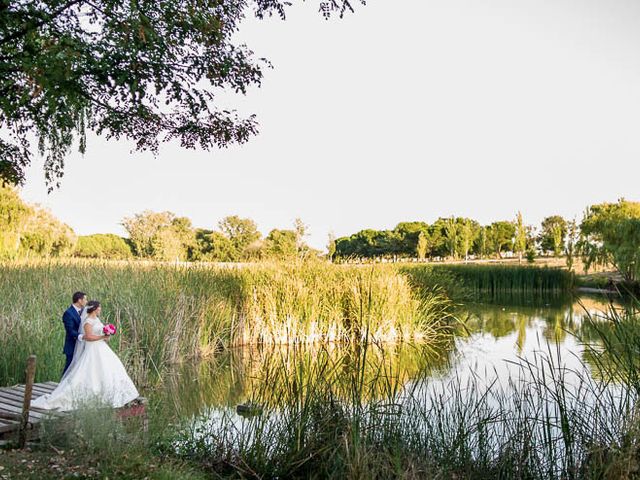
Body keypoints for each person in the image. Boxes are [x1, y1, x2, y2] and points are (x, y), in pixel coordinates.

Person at [32, 301, 139, 411]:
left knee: (109, 368)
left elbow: (98, 334)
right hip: (93, 349)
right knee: (90, 370)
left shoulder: (96, 320)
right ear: (94, 309)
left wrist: (107, 335)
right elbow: (88, 337)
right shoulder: (87, 321)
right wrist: (102, 337)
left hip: (101, 348)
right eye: (99, 308)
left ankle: (109, 393)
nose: (100, 309)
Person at [62, 291, 88, 375]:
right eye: (85, 299)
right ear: (79, 300)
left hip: (83, 345)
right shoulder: (68, 313)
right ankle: (63, 386)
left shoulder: (85, 311)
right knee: (69, 367)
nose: (86, 301)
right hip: (72, 345)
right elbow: (70, 330)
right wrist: (82, 336)